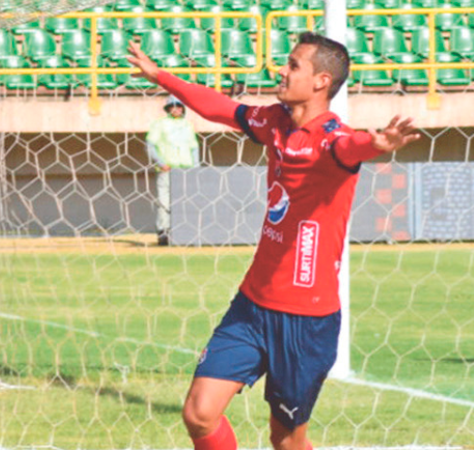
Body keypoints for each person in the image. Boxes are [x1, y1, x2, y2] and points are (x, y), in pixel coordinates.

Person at [126, 32, 422, 450]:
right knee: (199, 413)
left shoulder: (331, 139)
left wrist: (375, 144)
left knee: (285, 440)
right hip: (252, 306)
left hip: (305, 320)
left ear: (321, 81)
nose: (280, 70)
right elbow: (220, 108)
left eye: (293, 65)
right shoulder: (275, 123)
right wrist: (161, 76)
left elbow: (351, 147)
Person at [146, 96, 200, 245]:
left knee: (186, 202)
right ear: (168, 108)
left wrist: (196, 167)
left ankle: (185, 231)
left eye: (179, 106)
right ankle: (164, 231)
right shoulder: (159, 124)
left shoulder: (187, 125)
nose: (176, 109)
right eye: (173, 106)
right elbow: (150, 145)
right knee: (165, 202)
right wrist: (161, 162)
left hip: (185, 170)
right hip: (167, 169)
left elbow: (194, 148)